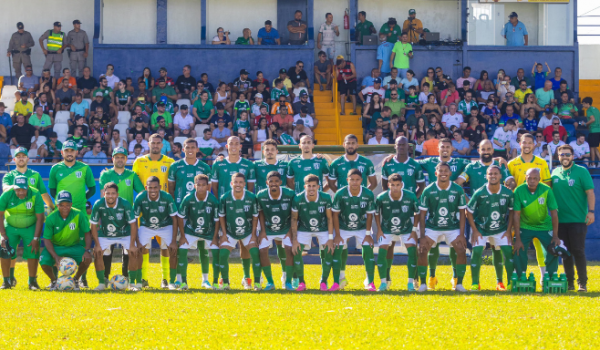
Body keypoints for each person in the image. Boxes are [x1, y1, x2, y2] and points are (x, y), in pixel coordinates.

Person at [47, 140, 96, 287]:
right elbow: (53, 191)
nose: (69, 153)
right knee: (57, 242)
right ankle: (55, 280)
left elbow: (92, 189)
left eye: (72, 150)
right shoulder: (55, 169)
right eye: (66, 150)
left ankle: (82, 278)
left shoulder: (85, 168)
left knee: (82, 244)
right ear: (62, 152)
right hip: (60, 213)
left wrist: (80, 201)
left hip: (79, 211)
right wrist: (62, 205)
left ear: (76, 152)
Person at [211, 137, 256, 288]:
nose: (234, 146)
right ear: (226, 146)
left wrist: (243, 203)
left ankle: (246, 277)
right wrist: (220, 205)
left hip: (243, 209)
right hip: (224, 209)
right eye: (231, 143)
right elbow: (215, 188)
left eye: (237, 143)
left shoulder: (248, 165)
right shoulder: (219, 164)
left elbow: (250, 188)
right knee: (222, 244)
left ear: (240, 146)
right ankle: (222, 279)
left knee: (245, 245)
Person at [416, 162, 468, 292]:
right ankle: (423, 283)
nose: (443, 173)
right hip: (433, 226)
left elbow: (463, 213)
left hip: (452, 226)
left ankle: (459, 283)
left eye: (446, 171)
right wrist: (422, 236)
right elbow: (422, 216)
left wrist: (462, 235)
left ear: (450, 173)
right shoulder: (428, 190)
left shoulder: (457, 189)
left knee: (461, 250)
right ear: (436, 173)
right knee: (422, 250)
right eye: (441, 171)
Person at [132, 133, 174, 287]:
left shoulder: (170, 162)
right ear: (148, 144)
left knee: (165, 246)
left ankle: (165, 279)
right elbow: (134, 181)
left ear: (162, 145)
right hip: (145, 209)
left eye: (158, 143)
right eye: (153, 143)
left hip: (164, 209)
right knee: (144, 246)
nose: (155, 145)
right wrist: (143, 197)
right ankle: (144, 279)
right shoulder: (139, 161)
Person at [552, 144, 595, 292]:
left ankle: (582, 283)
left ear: (573, 156)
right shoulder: (555, 173)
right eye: (562, 154)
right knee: (565, 253)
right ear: (558, 157)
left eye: (567, 154)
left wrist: (591, 211)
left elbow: (590, 192)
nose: (565, 157)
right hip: (560, 221)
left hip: (578, 220)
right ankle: (569, 283)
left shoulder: (581, 171)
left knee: (578, 251)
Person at [466, 166, 515, 291]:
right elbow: (469, 212)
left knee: (507, 252)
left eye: (496, 173)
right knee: (476, 252)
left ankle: (507, 283)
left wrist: (509, 230)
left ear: (500, 176)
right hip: (481, 228)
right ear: (486, 176)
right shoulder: (480, 192)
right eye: (490, 174)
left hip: (501, 228)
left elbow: (513, 212)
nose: (493, 176)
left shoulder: (508, 193)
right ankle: (475, 283)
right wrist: (475, 231)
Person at [286, 174, 334, 291]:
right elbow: (294, 219)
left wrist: (330, 238)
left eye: (314, 186)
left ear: (318, 186)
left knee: (328, 251)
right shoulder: (298, 198)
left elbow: (329, 218)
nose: (311, 188)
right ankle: (301, 282)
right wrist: (295, 240)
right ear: (304, 186)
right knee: (296, 251)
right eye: (309, 186)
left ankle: (323, 281)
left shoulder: (326, 197)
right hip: (304, 228)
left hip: (322, 228)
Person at [374, 172, 420, 291]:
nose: (395, 187)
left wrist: (414, 230)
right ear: (388, 185)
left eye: (398, 185)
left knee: (412, 252)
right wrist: (379, 229)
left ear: (401, 185)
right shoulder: (381, 197)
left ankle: (411, 283)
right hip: (387, 229)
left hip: (406, 229)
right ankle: (384, 283)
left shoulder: (410, 196)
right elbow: (376, 213)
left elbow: (417, 213)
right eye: (393, 185)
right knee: (382, 252)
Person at [90, 182, 140, 291]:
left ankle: (132, 284)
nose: (110, 196)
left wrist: (132, 244)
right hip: (105, 234)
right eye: (108, 193)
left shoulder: (125, 204)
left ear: (117, 194)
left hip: (124, 233)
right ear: (104, 194)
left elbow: (133, 224)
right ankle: (102, 283)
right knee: (97, 253)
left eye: (113, 193)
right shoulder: (98, 204)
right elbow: (93, 225)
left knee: (133, 252)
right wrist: (97, 245)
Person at [512, 168, 560, 282]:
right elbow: (516, 215)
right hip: (525, 226)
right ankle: (520, 277)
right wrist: (517, 238)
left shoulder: (547, 190)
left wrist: (555, 236)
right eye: (529, 178)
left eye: (535, 178)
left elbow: (554, 213)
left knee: (553, 249)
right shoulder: (519, 190)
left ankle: (550, 277)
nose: (532, 181)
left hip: (544, 226)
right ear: (525, 178)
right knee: (519, 249)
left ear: (539, 179)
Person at [39, 190, 92, 291]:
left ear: (71, 204)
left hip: (73, 246)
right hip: (56, 246)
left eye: (67, 205)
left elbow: (87, 232)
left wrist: (87, 250)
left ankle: (76, 280)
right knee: (43, 262)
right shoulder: (51, 217)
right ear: (57, 205)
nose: (64, 207)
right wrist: (55, 256)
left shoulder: (78, 214)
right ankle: (54, 281)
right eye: (61, 205)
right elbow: (46, 239)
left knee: (87, 259)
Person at [217, 172, 261, 290]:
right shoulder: (224, 197)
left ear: (244, 184)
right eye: (235, 182)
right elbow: (221, 216)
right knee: (223, 254)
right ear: (231, 183)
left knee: (255, 253)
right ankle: (225, 282)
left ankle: (253, 282)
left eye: (241, 182)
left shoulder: (251, 197)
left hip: (247, 232)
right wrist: (224, 234)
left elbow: (255, 216)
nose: (238, 184)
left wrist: (253, 235)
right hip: (230, 232)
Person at [0, 175, 45, 290]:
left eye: (23, 189)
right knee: (5, 249)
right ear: (13, 188)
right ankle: (6, 281)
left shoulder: (35, 194)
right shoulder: (6, 194)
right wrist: (3, 235)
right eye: (18, 189)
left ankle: (32, 281)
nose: (21, 192)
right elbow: (0, 215)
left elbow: (40, 218)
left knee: (33, 251)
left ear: (28, 187)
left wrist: (35, 238)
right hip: (10, 226)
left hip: (29, 226)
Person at [176, 174, 220, 290]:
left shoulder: (213, 200)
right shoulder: (188, 198)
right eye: (198, 185)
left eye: (203, 185)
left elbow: (217, 220)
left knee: (215, 252)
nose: (201, 187)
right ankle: (183, 281)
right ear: (194, 186)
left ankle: (209, 281)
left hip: (208, 231)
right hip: (191, 230)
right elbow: (180, 217)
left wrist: (215, 237)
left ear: (207, 186)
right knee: (182, 249)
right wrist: (182, 235)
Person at [133, 176, 178, 289]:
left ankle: (168, 281)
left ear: (160, 187)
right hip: (147, 226)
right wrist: (136, 240)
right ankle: (141, 280)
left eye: (155, 187)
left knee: (171, 250)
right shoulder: (140, 198)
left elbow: (174, 218)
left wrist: (173, 241)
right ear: (145, 187)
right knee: (139, 249)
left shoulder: (167, 197)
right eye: (150, 187)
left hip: (165, 225)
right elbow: (134, 219)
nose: (153, 190)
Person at [256, 171, 295, 290]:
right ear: (267, 182)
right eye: (271, 181)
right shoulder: (261, 195)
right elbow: (260, 212)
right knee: (262, 251)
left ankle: (288, 282)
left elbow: (294, 214)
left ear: (281, 182)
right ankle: (270, 282)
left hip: (285, 227)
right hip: (268, 228)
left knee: (289, 249)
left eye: (276, 181)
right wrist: (262, 231)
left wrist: (290, 231)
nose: (273, 183)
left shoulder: (289, 194)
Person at [583, 97, 600, 167]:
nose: (583, 105)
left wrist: (585, 124)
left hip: (593, 131)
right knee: (595, 147)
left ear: (587, 103)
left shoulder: (589, 110)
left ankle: (593, 164)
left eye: (584, 104)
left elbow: (592, 119)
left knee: (592, 148)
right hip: (598, 130)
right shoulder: (596, 109)